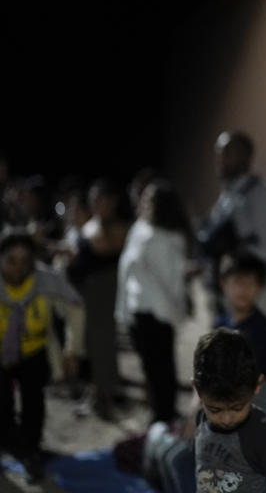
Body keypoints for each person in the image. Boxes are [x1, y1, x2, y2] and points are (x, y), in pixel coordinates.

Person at [0, 228, 84, 481]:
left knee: (33, 403)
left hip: (34, 350)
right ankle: (10, 442)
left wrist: (72, 350)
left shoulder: (47, 280)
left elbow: (76, 309)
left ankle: (31, 449)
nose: (18, 268)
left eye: (25, 261)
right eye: (10, 261)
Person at [116, 179, 193, 424]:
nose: (144, 204)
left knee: (163, 368)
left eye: (150, 200)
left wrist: (172, 309)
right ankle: (158, 413)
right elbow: (126, 271)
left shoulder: (171, 238)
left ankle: (163, 415)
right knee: (150, 367)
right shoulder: (140, 229)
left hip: (159, 313)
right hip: (139, 309)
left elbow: (173, 281)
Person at [192, 327, 266, 493]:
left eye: (237, 408)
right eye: (215, 409)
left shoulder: (264, 435)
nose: (226, 419)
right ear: (198, 391)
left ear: (257, 386)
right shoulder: (201, 419)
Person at [197, 131, 266, 320]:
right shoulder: (229, 194)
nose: (220, 160)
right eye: (219, 154)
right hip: (223, 294)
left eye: (227, 153)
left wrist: (234, 253)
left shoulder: (261, 193)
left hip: (248, 297)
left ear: (246, 156)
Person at [67, 178, 131, 419]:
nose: (96, 204)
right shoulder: (93, 223)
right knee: (93, 344)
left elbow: (103, 246)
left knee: (102, 343)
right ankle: (101, 389)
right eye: (93, 199)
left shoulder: (115, 226)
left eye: (101, 199)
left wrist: (92, 226)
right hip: (87, 293)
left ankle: (103, 396)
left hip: (104, 292)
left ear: (112, 202)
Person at [215, 250, 266, 424]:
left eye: (251, 283)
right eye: (238, 282)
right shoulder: (220, 325)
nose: (244, 289)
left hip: (256, 414)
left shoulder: (261, 329)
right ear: (224, 284)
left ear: (259, 288)